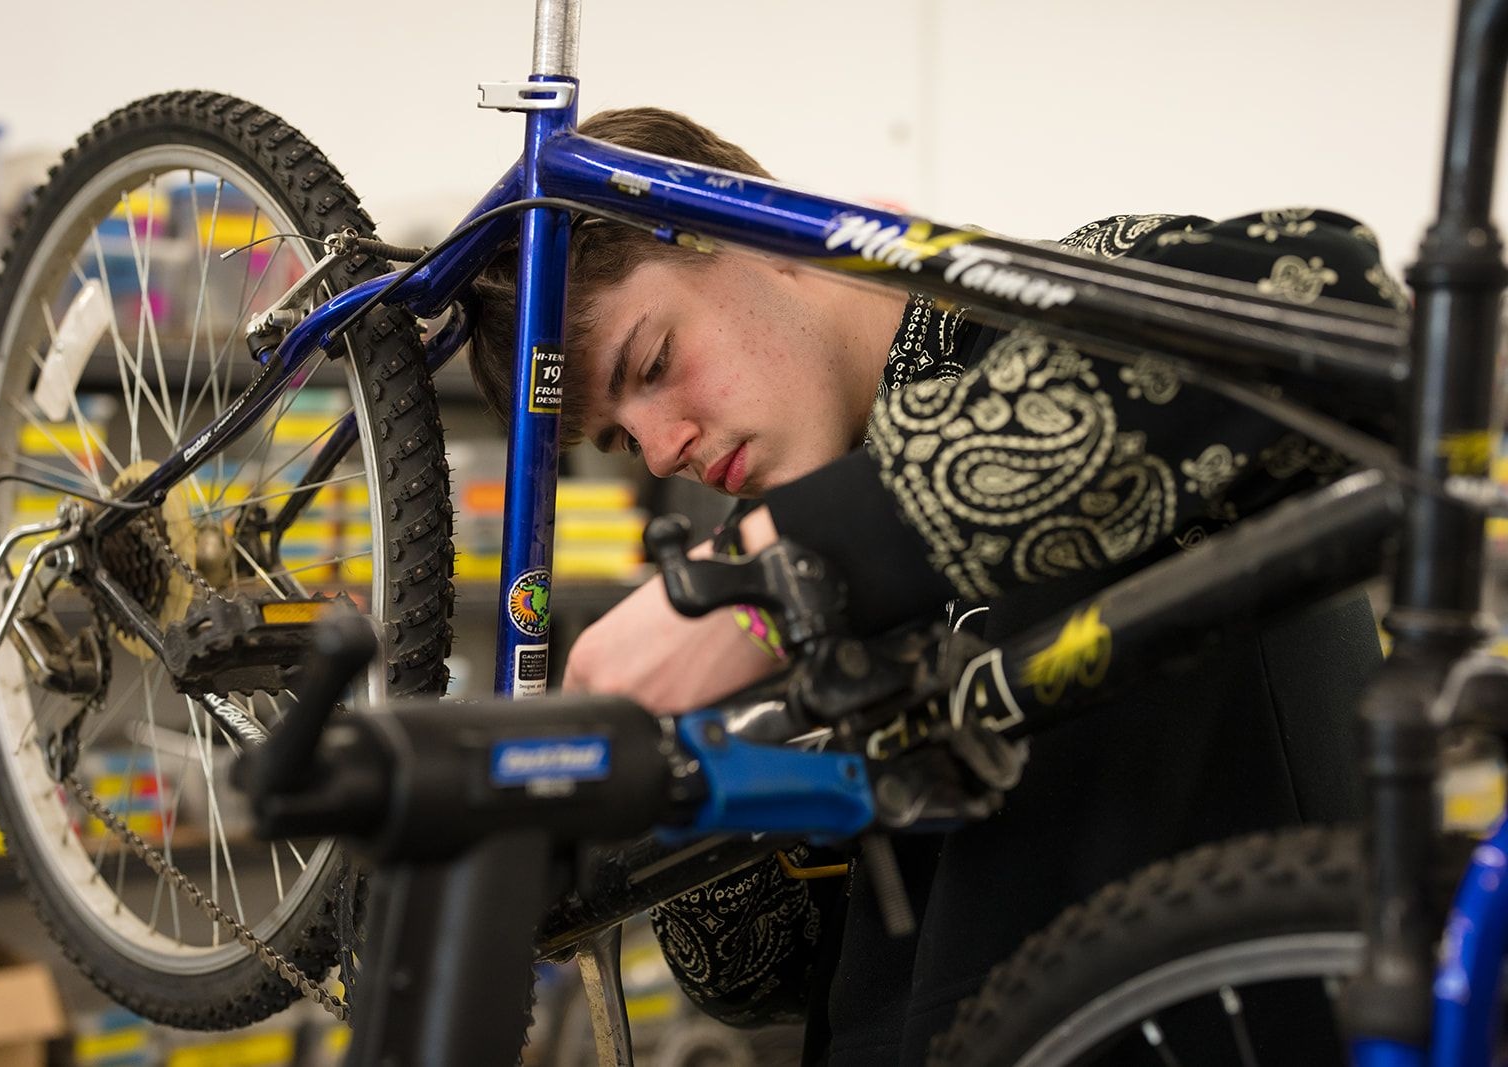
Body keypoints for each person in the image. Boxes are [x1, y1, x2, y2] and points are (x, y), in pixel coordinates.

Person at [470, 108, 1400, 1065]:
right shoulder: (770, 544)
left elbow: (1335, 296)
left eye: (653, 363)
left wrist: (797, 565)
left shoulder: (1030, 314)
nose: (664, 447)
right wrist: (677, 770)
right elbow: (762, 973)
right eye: (622, 440)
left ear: (760, 231)